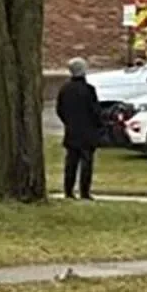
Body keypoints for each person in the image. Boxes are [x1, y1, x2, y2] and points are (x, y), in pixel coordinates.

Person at [56, 57, 103, 200]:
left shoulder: (65, 89)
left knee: (71, 162)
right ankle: (84, 192)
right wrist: (99, 124)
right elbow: (95, 111)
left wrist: (68, 122)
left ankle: (68, 191)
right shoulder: (88, 90)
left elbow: (60, 109)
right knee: (86, 163)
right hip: (88, 132)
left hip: (71, 131)